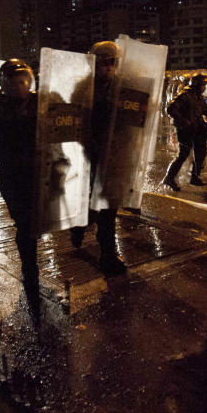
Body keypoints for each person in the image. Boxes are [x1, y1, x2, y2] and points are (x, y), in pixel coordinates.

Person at [68, 41, 125, 275]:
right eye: (104, 63)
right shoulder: (83, 88)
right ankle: (83, 229)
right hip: (89, 154)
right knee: (94, 205)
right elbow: (73, 122)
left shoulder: (121, 86)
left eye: (113, 63)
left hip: (115, 155)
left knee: (109, 207)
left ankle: (107, 254)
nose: (109, 68)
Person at [0, 59, 38, 272]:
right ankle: (29, 267)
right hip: (14, 177)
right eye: (14, 82)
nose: (19, 86)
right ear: (5, 85)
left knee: (39, 222)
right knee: (25, 225)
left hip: (40, 175)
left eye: (23, 81)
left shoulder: (41, 103)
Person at [162, 73, 207, 191]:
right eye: (203, 85)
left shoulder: (198, 96)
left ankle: (194, 177)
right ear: (197, 85)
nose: (205, 88)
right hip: (185, 129)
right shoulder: (185, 95)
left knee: (201, 152)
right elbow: (170, 109)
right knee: (183, 154)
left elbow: (204, 110)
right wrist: (184, 120)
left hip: (197, 129)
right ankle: (169, 178)